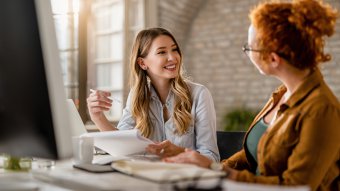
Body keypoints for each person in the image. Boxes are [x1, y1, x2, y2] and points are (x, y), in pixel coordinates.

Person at [164, 0, 340, 190]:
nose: (246, 53)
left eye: (249, 48)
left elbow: (296, 186)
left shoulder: (322, 110)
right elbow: (250, 156)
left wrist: (219, 172)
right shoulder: (281, 95)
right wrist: (205, 166)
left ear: (273, 59)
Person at [87, 27, 219, 162]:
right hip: (146, 178)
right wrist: (98, 118)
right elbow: (121, 144)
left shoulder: (199, 95)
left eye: (174, 50)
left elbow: (212, 158)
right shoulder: (137, 96)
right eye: (162, 52)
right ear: (142, 63)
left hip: (183, 179)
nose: (173, 57)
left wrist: (179, 152)